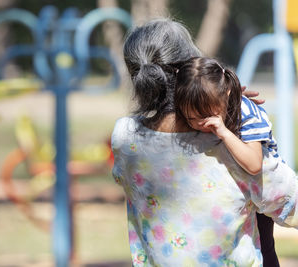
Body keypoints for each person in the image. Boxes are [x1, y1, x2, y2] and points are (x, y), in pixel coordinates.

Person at [111, 18, 294, 266]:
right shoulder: (228, 145)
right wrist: (230, 113)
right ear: (191, 68)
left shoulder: (125, 138)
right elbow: (288, 200)